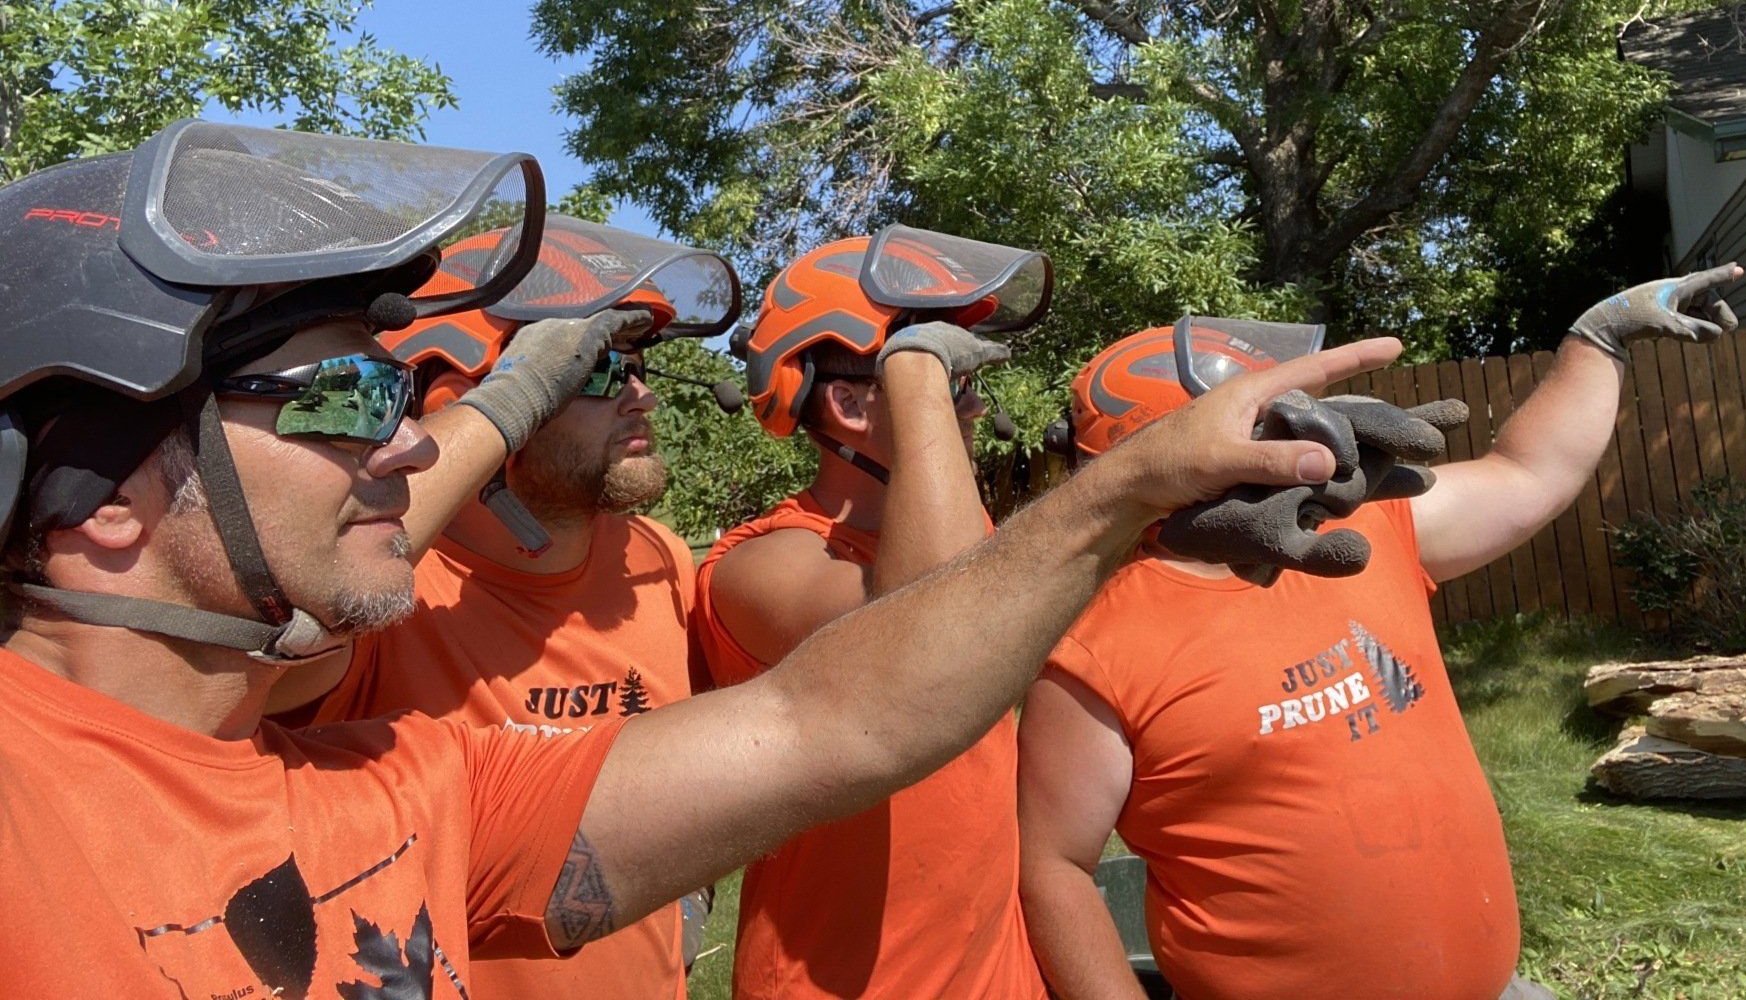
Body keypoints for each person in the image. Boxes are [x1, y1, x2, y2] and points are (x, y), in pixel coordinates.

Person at [0, 121, 1395, 998]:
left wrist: (1134, 501)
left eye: (402, 395)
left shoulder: (409, 797)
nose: (415, 445)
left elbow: (842, 721)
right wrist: (502, 398)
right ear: (98, 496)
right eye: (346, 396)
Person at [1018, 277, 1741, 1000]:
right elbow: (1054, 869)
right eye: (1264, 423)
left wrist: (1598, 337)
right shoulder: (1093, 648)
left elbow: (1528, 473)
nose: (1307, 436)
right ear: (1167, 460)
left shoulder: (1360, 531)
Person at [264, 213, 744, 999]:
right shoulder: (383, 597)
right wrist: (502, 407)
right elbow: (277, 643)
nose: (643, 396)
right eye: (593, 368)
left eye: (636, 365)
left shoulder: (657, 558)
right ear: (467, 397)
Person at [690, 228, 1054, 1000]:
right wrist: (920, 376)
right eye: (952, 382)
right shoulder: (759, 566)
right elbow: (939, 636)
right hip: (843, 983)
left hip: (995, 975)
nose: (977, 402)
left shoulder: (960, 537)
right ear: (852, 403)